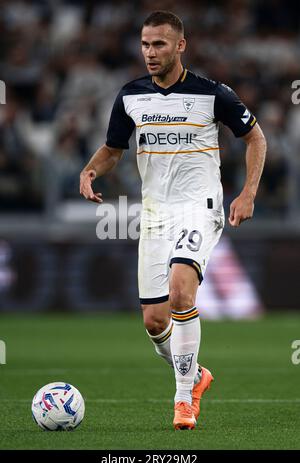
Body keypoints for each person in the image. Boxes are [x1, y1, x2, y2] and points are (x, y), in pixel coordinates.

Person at [79, 11, 267, 430]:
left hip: (198, 207)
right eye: (145, 44)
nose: (150, 52)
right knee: (155, 321)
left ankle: (183, 400)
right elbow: (112, 149)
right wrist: (91, 170)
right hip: (154, 214)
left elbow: (255, 137)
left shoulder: (213, 94)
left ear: (180, 46)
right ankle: (196, 375)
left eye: (159, 44)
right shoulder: (130, 96)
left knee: (183, 291)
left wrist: (248, 192)